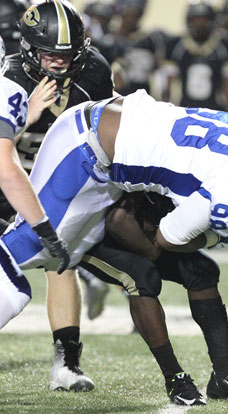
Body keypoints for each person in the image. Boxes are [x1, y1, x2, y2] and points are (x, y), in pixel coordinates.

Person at [0, 86, 228, 342]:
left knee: (67, 253)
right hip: (86, 149)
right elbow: (168, 237)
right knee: (24, 256)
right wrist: (213, 235)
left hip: (108, 137)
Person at [4, 0, 115, 391]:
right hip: (6, 181)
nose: (59, 63)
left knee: (60, 258)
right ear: (29, 48)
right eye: (50, 54)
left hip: (55, 184)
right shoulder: (8, 76)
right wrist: (26, 117)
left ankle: (66, 365)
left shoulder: (95, 71)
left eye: (67, 54)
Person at [78, 191, 228, 405]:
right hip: (88, 232)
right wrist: (156, 248)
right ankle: (174, 379)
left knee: (202, 270)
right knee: (144, 276)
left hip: (133, 228)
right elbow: (118, 220)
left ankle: (224, 376)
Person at [0, 34, 69, 325]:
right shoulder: (6, 91)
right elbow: (6, 169)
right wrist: (44, 228)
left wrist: (26, 118)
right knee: (13, 291)